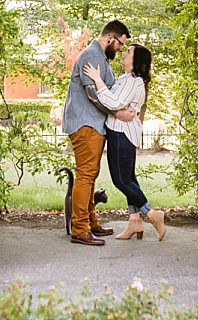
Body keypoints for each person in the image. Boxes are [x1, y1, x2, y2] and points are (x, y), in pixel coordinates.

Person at [83, 42, 166, 241]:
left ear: (136, 61)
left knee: (121, 180)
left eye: (128, 52)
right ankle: (134, 222)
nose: (124, 53)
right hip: (121, 131)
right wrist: (118, 112)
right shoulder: (125, 78)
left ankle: (152, 214)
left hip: (122, 134)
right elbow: (115, 104)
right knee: (130, 178)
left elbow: (112, 101)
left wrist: (96, 79)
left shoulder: (133, 81)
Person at [61, 19, 131, 246]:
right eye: (120, 44)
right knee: (85, 174)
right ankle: (80, 229)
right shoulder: (92, 56)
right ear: (110, 38)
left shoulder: (102, 59)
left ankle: (90, 223)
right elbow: (94, 95)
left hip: (94, 125)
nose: (120, 49)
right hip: (85, 124)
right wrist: (118, 113)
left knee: (90, 175)